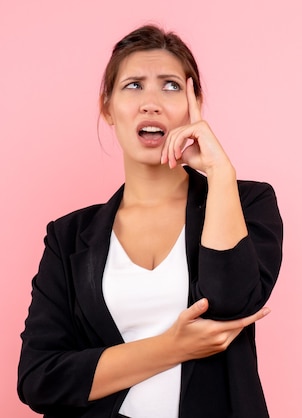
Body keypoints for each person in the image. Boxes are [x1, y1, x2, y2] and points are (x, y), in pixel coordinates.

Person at [17, 24, 283, 418]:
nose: (151, 102)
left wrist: (220, 173)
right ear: (107, 107)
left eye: (172, 86)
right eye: (133, 85)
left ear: (195, 105)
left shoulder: (246, 201)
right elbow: (39, 378)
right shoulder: (68, 236)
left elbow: (231, 305)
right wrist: (172, 347)